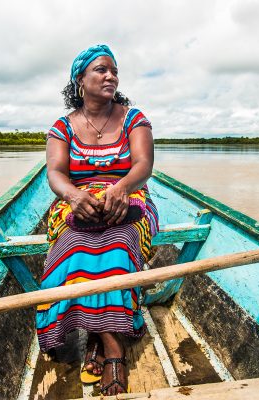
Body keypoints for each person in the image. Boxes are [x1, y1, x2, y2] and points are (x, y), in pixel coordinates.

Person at [37, 44, 159, 395]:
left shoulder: (133, 118)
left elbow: (143, 166)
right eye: (101, 70)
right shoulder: (63, 126)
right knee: (75, 245)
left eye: (114, 71)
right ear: (80, 80)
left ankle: (106, 346)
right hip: (76, 201)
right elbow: (56, 173)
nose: (110, 76)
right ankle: (107, 342)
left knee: (119, 243)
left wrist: (121, 187)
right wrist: (75, 196)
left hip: (129, 196)